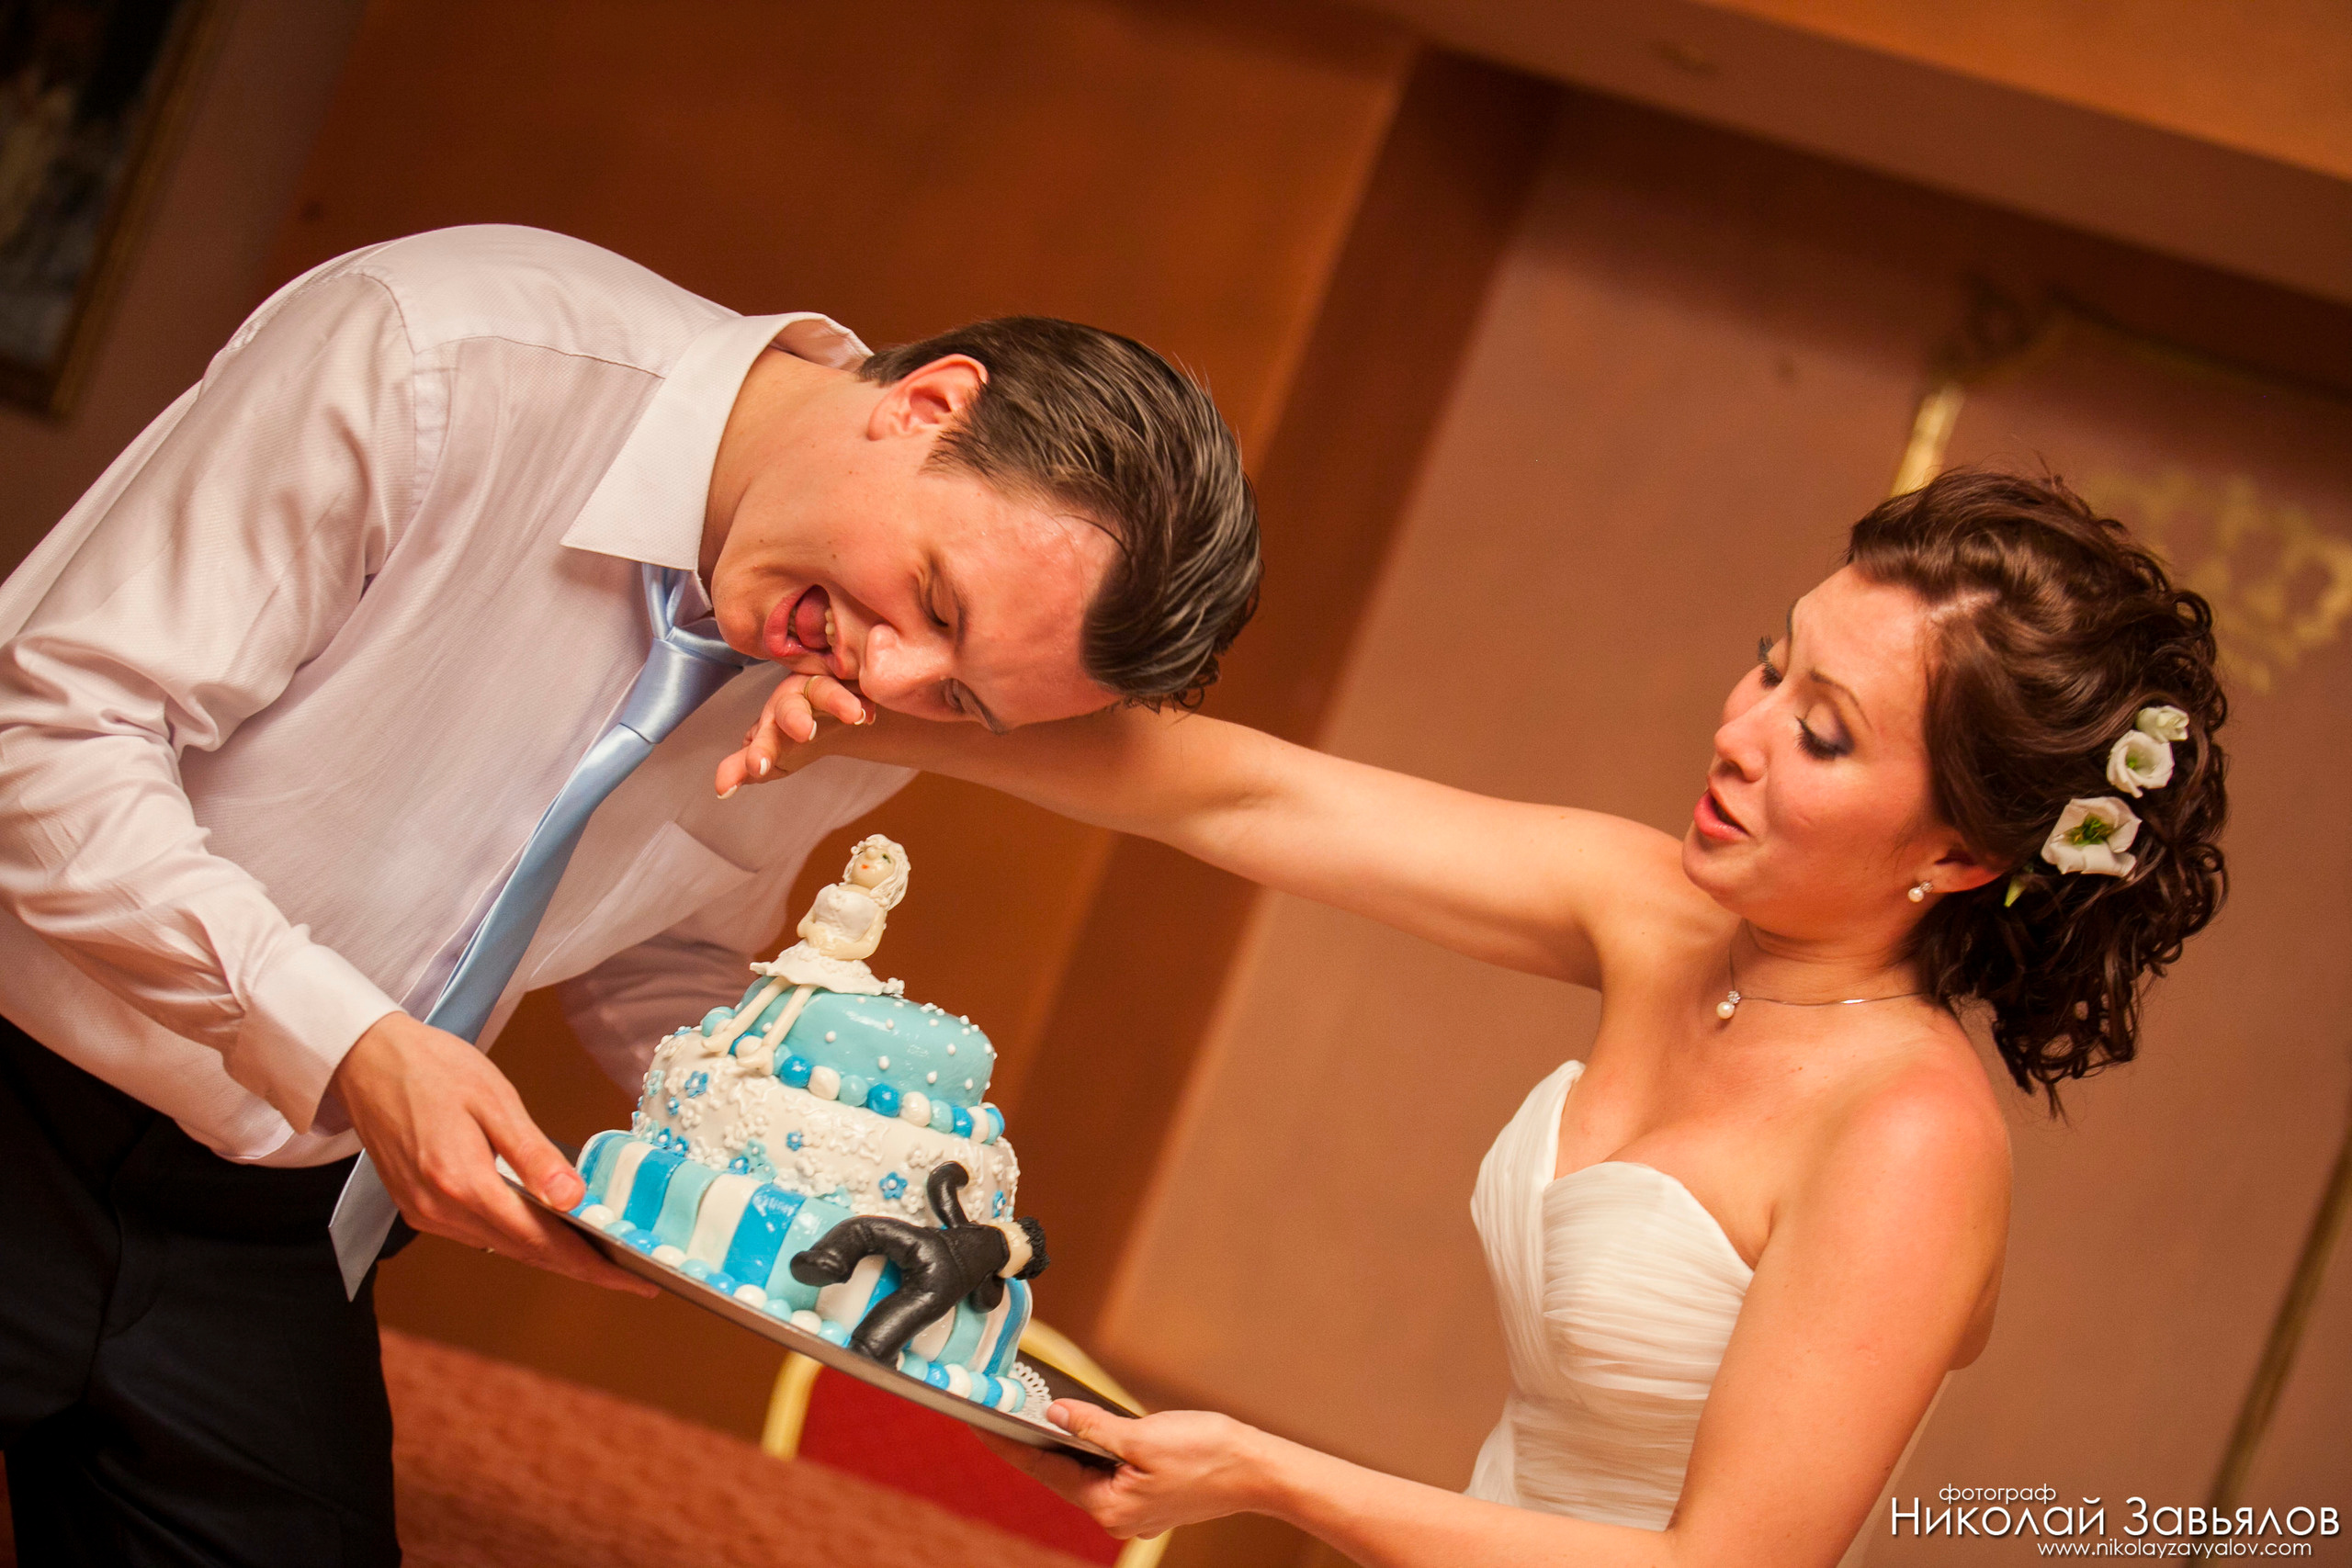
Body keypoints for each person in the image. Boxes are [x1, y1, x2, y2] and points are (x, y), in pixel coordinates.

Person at [0, 223, 1258, 1565]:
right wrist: (351, 1041)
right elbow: (46, 737)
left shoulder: (860, 684)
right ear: (926, 406)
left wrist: (834, 1182)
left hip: (272, 1226)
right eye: (934, 601)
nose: (891, 679)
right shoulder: (446, 351)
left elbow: (655, 957)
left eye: (960, 695)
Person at [719, 468, 2230, 1567]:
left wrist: (1272, 1476)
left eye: (1821, 733)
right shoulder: (1666, 922)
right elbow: (1243, 795)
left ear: (1958, 856)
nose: (1743, 728)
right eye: (1772, 661)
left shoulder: (1910, 1137)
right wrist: (872, 704)